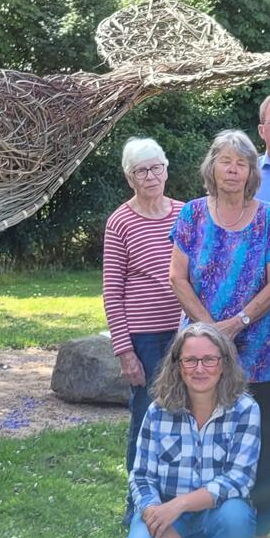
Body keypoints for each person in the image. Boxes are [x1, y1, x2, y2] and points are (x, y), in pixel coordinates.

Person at [170, 129, 270, 538]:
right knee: (199, 438)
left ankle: (259, 536)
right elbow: (177, 277)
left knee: (259, 444)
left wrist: (237, 323)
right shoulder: (192, 214)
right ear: (212, 168)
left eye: (242, 162)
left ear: (252, 172)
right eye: (225, 161)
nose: (233, 169)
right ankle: (201, 523)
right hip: (201, 353)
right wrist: (208, 329)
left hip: (260, 351)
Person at [127, 323, 262, 538]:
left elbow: (240, 479)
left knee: (237, 517)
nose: (200, 369)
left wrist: (180, 505)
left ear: (225, 363)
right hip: (165, 512)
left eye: (209, 359)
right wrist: (158, 522)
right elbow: (141, 476)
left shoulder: (245, 410)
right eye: (190, 360)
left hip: (218, 515)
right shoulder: (157, 411)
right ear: (177, 365)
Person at [103, 137, 184, 478]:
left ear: (166, 170)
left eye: (156, 168)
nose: (150, 176)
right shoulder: (119, 222)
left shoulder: (186, 213)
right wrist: (125, 351)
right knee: (147, 414)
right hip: (145, 338)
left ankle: (178, 491)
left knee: (186, 412)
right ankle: (138, 502)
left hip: (186, 332)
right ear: (129, 178)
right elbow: (111, 290)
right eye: (141, 171)